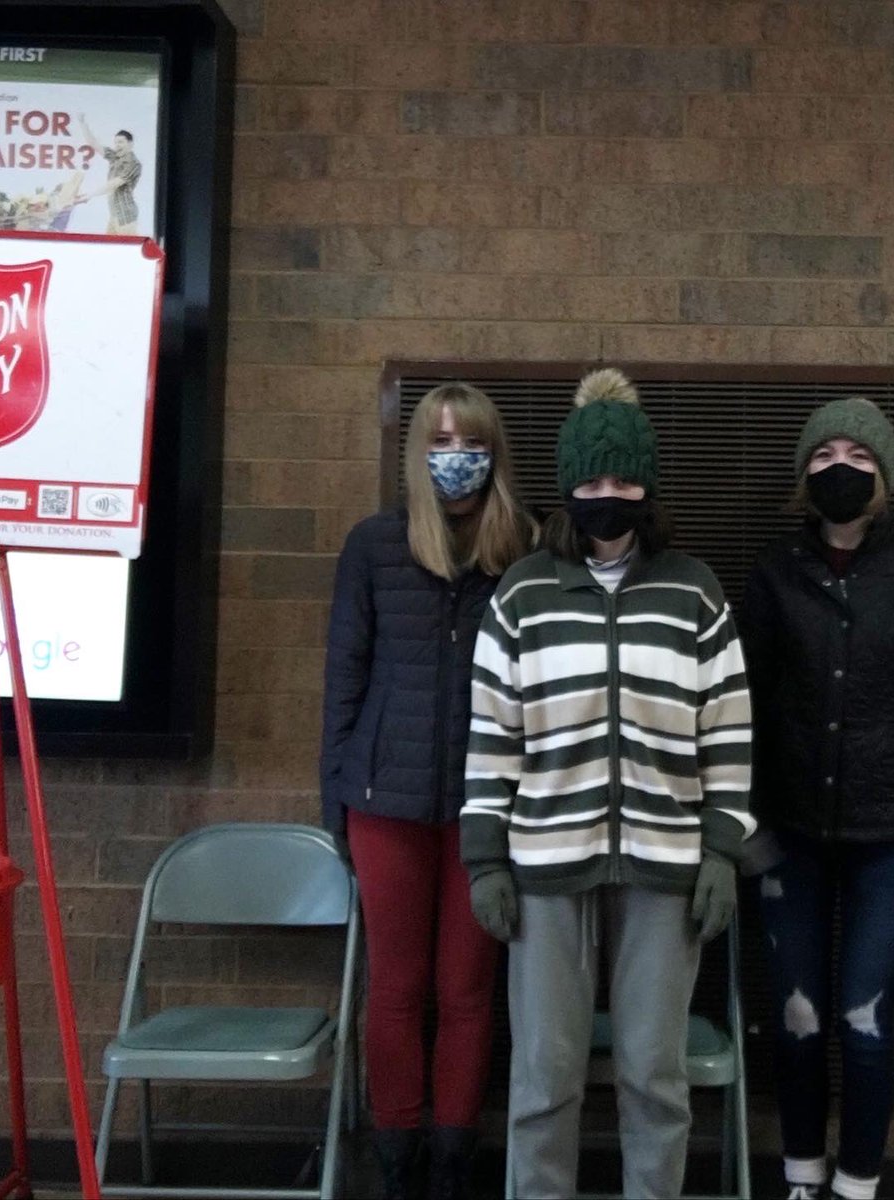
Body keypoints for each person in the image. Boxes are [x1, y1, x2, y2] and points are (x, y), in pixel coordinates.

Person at [461, 368, 754, 1200]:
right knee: (543, 1081)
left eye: (624, 478)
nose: (607, 495)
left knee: (655, 1083)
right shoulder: (522, 596)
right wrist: (485, 859)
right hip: (546, 870)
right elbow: (490, 736)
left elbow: (728, 731)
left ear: (646, 485)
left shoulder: (694, 593)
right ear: (568, 487)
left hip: (667, 871)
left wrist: (722, 851)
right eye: (591, 479)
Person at [739, 397, 894, 1200]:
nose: (842, 465)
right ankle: (802, 1176)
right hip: (787, 839)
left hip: (889, 843)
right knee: (798, 1025)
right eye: (825, 453)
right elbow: (742, 710)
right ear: (804, 473)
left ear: (885, 476)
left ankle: (857, 1185)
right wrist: (744, 825)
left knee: (866, 1030)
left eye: (860, 455)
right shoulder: (773, 575)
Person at [321, 383, 531, 1200]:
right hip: (384, 803)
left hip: (487, 810)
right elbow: (344, 677)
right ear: (418, 451)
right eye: (439, 439)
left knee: (469, 993)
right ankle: (398, 1160)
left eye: (471, 440)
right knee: (398, 988)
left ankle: (453, 1161)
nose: (456, 456)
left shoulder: (524, 553)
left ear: (494, 453)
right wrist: (333, 799)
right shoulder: (374, 546)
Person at [78, 114, 143, 234]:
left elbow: (113, 184)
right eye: (116, 142)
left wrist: (90, 195)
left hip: (125, 216)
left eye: (121, 142)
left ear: (130, 143)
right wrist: (83, 125)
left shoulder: (133, 163)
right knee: (109, 247)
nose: (117, 145)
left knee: (126, 250)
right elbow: (94, 144)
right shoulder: (115, 157)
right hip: (115, 214)